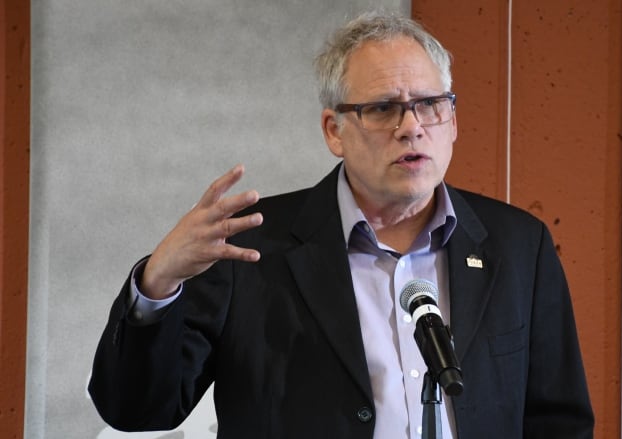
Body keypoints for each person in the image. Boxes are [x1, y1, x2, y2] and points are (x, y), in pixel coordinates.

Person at [89, 11, 594, 439]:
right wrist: (158, 283)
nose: (411, 126)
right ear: (334, 131)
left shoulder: (518, 246)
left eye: (431, 105)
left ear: (453, 122)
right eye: (382, 108)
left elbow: (558, 420)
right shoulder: (250, 247)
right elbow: (137, 409)